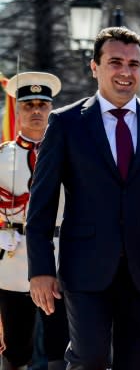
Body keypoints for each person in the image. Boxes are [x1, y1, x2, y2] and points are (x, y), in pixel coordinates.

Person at [26, 26, 140, 369]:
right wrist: (40, 270)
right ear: (95, 66)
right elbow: (41, 205)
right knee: (88, 357)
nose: (126, 72)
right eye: (115, 62)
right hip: (84, 270)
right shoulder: (66, 123)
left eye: (134, 64)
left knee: (137, 362)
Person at [0, 72, 69, 369]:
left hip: (59, 255)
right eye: (29, 105)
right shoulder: (3, 156)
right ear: (18, 110)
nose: (37, 111)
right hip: (14, 260)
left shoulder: (70, 155)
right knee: (15, 344)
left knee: (61, 343)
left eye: (43, 105)